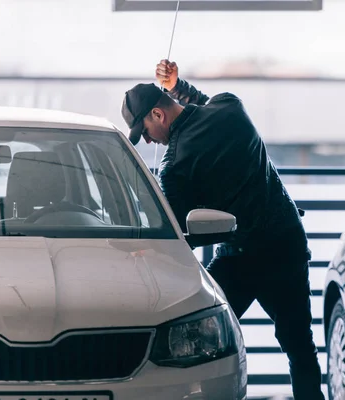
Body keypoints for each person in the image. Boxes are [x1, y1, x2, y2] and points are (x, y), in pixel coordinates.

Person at [120, 60, 325, 399]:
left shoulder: (175, 165)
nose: (151, 142)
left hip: (239, 258)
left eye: (145, 132)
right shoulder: (231, 108)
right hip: (286, 243)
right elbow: (201, 105)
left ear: (158, 115)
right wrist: (177, 84)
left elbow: (177, 236)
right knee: (299, 346)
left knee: (199, 342)